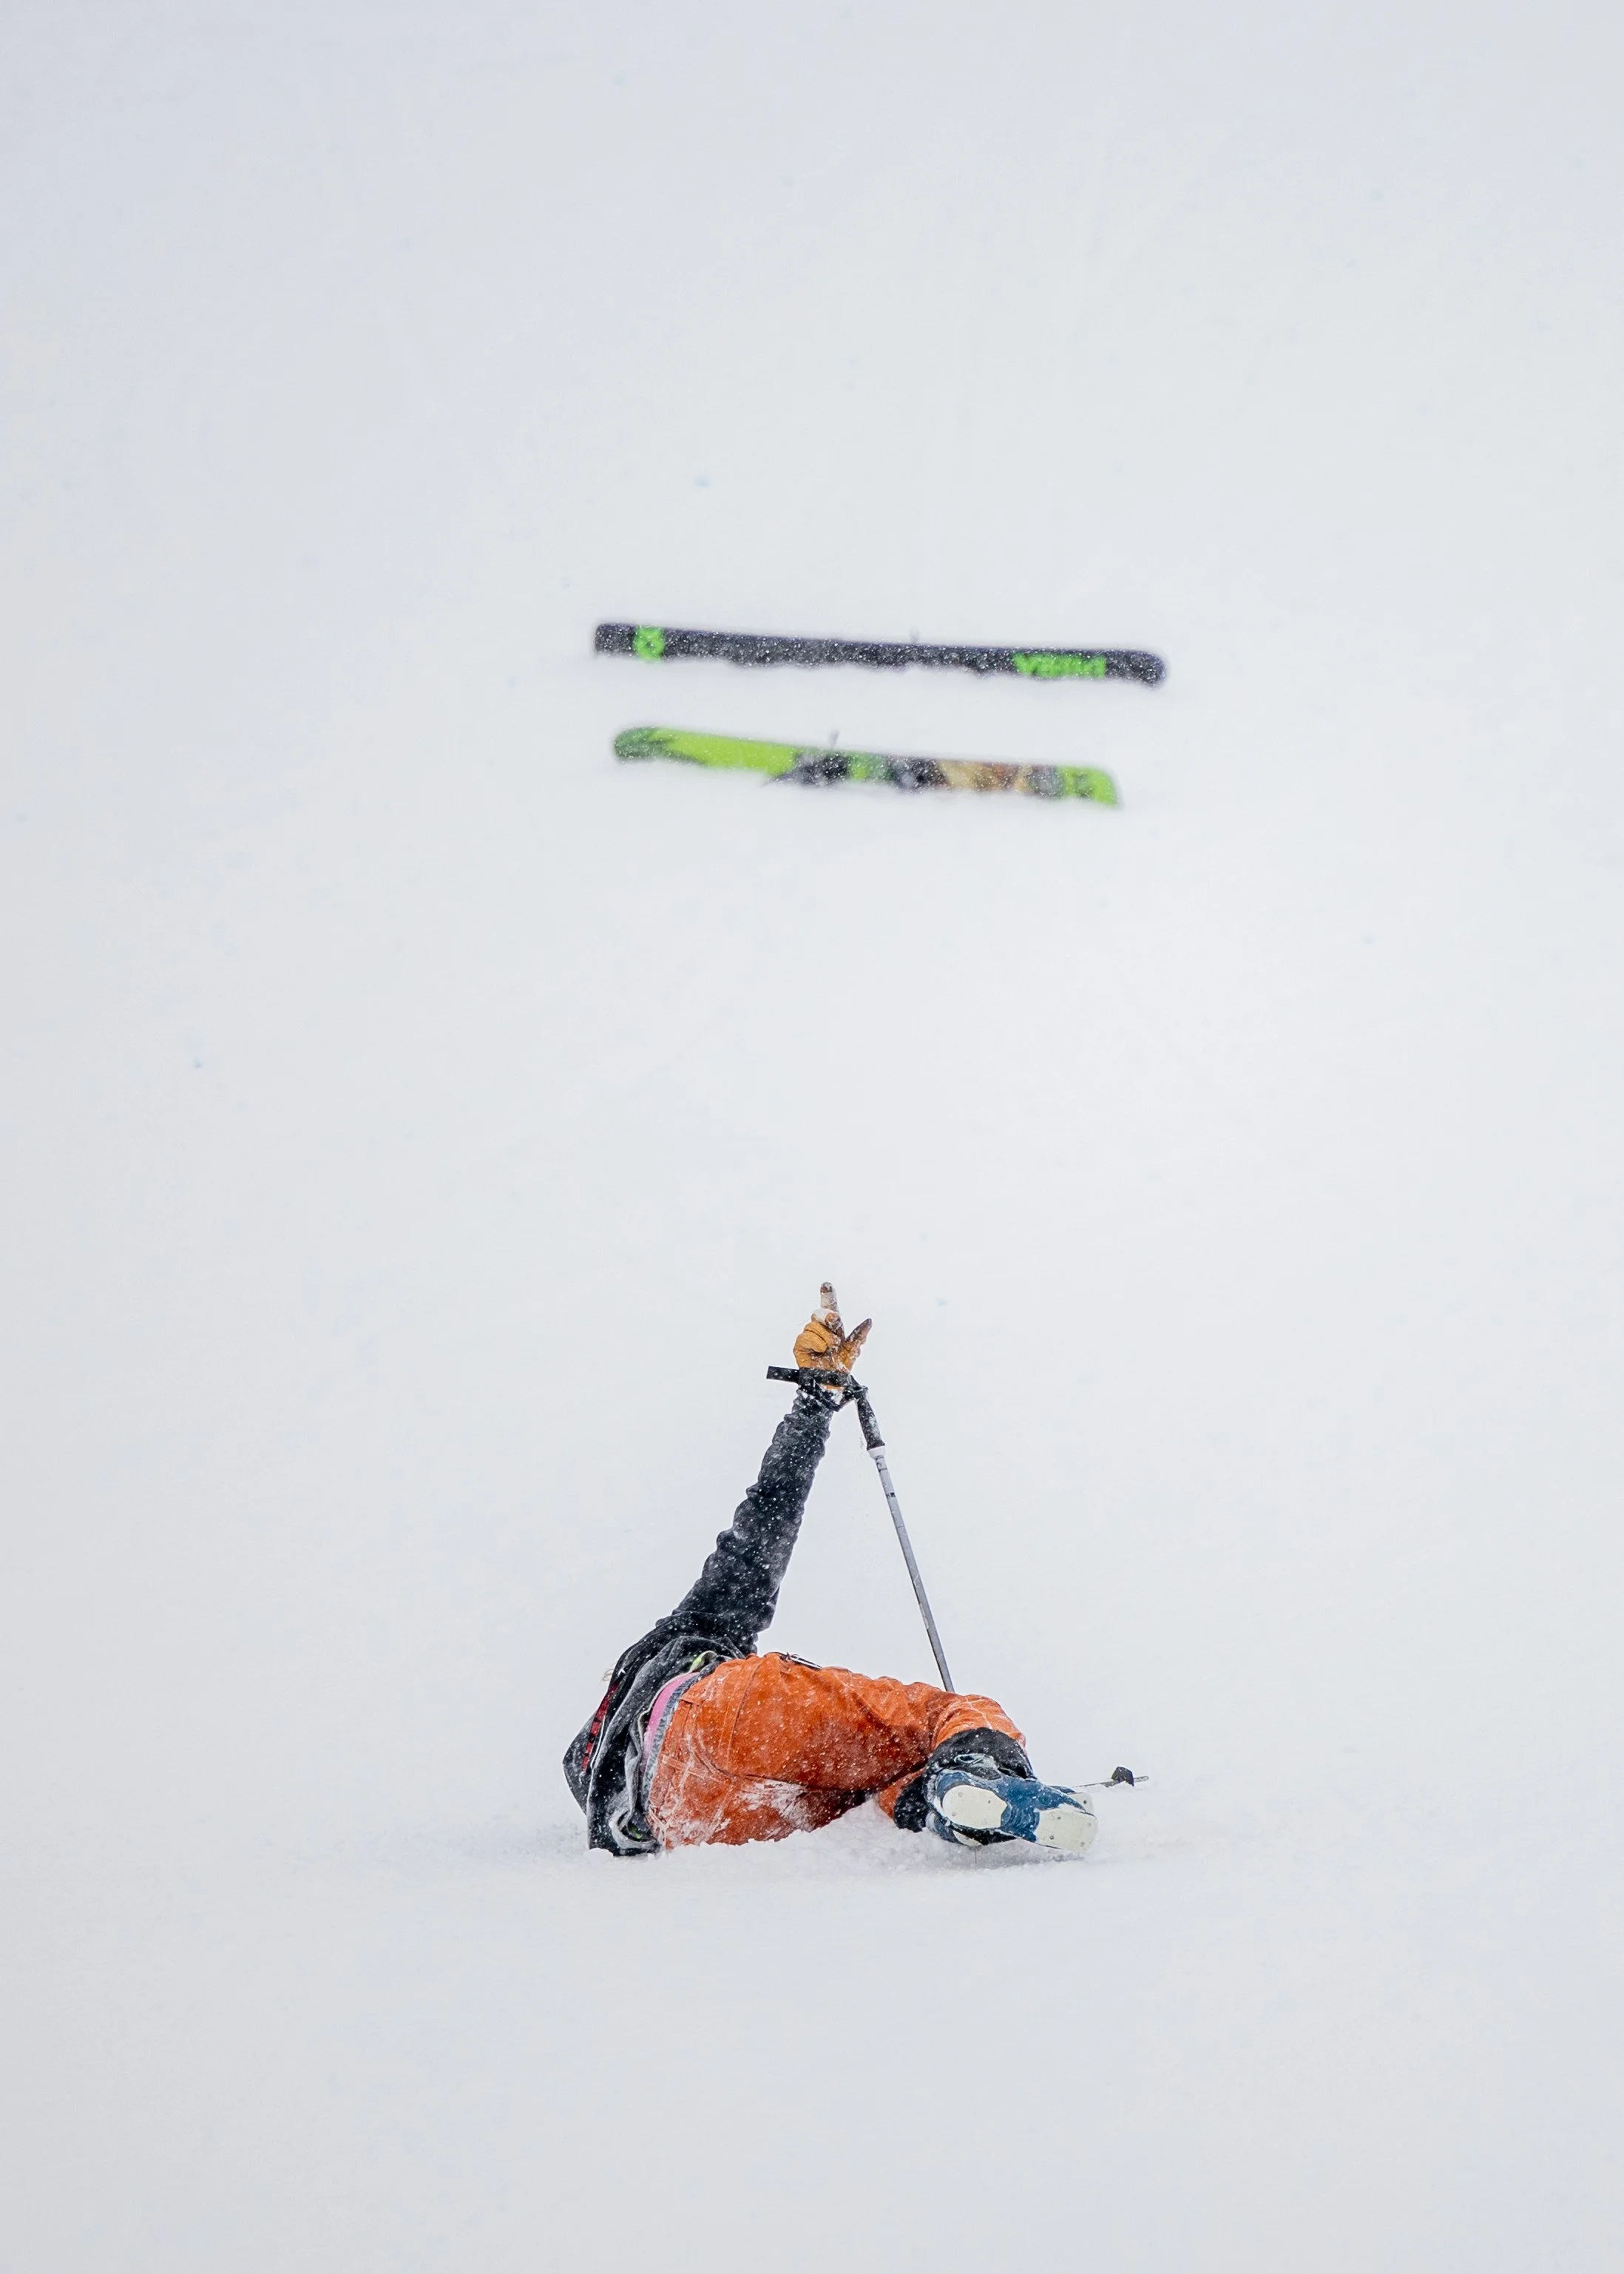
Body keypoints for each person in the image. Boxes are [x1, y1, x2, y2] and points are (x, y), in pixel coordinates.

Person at [564, 1289, 1098, 1859]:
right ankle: (979, 1769)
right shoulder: (700, 1632)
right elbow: (767, 1516)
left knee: (864, 1794)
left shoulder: (586, 1767)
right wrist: (816, 1400)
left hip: (686, 1815)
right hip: (732, 1713)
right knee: (941, 1717)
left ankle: (945, 1806)